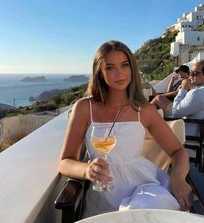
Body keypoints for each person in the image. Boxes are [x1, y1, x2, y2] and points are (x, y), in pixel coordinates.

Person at [58, 40, 192, 218]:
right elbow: (65, 162)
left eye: (124, 65)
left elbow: (177, 151)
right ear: (100, 72)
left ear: (132, 68)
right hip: (103, 193)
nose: (119, 73)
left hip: (144, 189)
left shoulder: (144, 110)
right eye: (110, 67)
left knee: (142, 213)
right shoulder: (84, 108)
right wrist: (87, 170)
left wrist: (178, 177)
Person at [172, 60, 204, 136]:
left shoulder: (197, 93)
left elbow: (175, 113)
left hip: (185, 134)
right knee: (160, 100)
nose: (190, 76)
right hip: (199, 133)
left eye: (194, 73)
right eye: (191, 72)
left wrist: (183, 89)